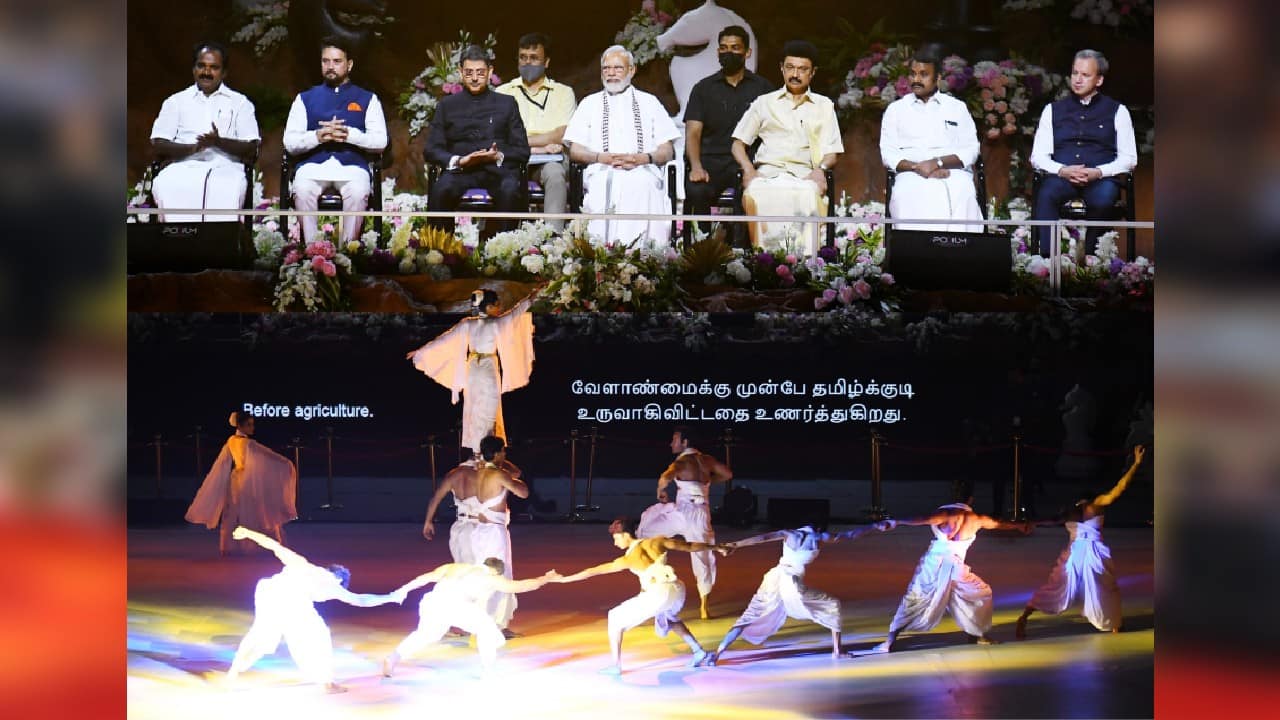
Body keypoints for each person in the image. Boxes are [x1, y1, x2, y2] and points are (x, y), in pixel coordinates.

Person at [225, 526, 402, 693]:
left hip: (270, 592)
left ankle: (234, 671)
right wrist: (390, 597)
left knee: (262, 636)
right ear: (339, 579)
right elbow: (361, 600)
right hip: (289, 600)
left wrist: (247, 532)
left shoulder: (304, 565)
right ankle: (327, 682)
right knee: (315, 635)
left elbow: (274, 545)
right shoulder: (333, 584)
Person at [552, 518, 729, 675]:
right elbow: (689, 546)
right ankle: (698, 651)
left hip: (659, 593)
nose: (615, 543)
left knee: (614, 617)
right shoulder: (657, 541)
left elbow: (593, 571)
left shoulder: (628, 559)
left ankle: (615, 666)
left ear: (624, 535)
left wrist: (564, 580)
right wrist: (717, 547)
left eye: (615, 538)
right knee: (668, 616)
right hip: (677, 589)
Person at [854, 499, 1030, 654]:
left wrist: (896, 521)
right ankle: (977, 635)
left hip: (936, 565)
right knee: (979, 594)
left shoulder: (946, 514)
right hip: (954, 567)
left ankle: (889, 641)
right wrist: (1019, 526)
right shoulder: (977, 519)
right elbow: (999, 524)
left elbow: (921, 520)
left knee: (915, 598)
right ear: (969, 501)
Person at [701, 525, 882, 666]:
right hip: (791, 582)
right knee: (832, 605)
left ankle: (717, 654)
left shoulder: (790, 533)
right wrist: (874, 526)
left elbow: (763, 538)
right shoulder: (819, 537)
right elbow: (850, 535)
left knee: (749, 615)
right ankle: (838, 651)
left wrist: (735, 545)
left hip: (774, 578)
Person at [1016, 445, 1146, 638]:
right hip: (1088, 553)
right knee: (1100, 587)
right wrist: (1136, 464)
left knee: (1066, 587)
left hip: (1082, 552)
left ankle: (1026, 615)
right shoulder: (1095, 505)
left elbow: (1052, 520)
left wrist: (1033, 523)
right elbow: (1119, 489)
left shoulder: (1075, 509)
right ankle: (1114, 623)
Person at [731, 40, 843, 254]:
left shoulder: (824, 106)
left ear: (812, 73)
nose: (795, 74)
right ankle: (765, 262)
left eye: (802, 69)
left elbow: (832, 151)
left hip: (804, 177)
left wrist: (820, 171)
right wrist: (748, 170)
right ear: (781, 68)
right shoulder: (764, 103)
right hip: (767, 175)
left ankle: (804, 265)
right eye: (790, 67)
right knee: (755, 192)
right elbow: (738, 144)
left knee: (809, 194)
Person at [564, 45, 680, 247]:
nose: (611, 73)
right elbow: (575, 150)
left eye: (617, 68)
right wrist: (601, 158)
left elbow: (667, 150)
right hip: (601, 169)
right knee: (605, 185)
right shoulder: (589, 103)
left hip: (643, 168)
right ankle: (601, 254)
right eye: (606, 69)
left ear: (631, 70)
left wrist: (642, 158)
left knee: (642, 184)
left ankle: (646, 256)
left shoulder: (649, 102)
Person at [406, 286, 538, 457]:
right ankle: (487, 453)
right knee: (488, 411)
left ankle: (479, 453)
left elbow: (443, 340)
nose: (500, 308)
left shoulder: (467, 324)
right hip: (487, 366)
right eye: (497, 305)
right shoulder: (495, 322)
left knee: (476, 410)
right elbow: (517, 312)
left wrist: (421, 351)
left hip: (473, 369)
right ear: (489, 306)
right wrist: (532, 297)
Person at [1030, 49, 1138, 254]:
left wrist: (1098, 172)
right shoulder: (1052, 110)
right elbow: (1038, 157)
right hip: (1062, 176)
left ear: (1099, 80)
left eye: (1085, 75)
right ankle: (1047, 261)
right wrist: (1063, 170)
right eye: (1075, 73)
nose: (1078, 80)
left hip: (1101, 178)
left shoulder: (1118, 111)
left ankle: (1093, 261)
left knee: (1104, 199)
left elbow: (1129, 159)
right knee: (1046, 194)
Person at [282, 36, 388, 246]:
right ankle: (312, 253)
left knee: (358, 192)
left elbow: (380, 141)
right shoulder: (305, 98)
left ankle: (347, 254)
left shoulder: (367, 98)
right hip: (313, 166)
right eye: (325, 61)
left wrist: (349, 135)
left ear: (349, 65)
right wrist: (318, 137)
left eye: (337, 61)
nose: (330, 67)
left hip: (352, 168)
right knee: (302, 189)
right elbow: (290, 142)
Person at [420, 436, 528, 631]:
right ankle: (492, 624)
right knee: (495, 575)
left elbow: (436, 497)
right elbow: (519, 484)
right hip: (485, 529)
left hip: (465, 529)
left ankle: (462, 622)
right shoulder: (483, 473)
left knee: (463, 576)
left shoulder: (463, 473)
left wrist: (428, 521)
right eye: (502, 451)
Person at [382, 558, 558, 676]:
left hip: (432, 602)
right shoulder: (492, 577)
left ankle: (392, 659)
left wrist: (402, 590)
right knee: (487, 629)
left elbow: (423, 578)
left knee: (426, 635)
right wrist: (546, 579)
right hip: (456, 605)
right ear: (497, 572)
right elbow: (521, 586)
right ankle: (488, 670)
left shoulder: (454, 566)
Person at [426, 44, 531, 236]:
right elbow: (432, 149)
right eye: (469, 72)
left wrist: (497, 155)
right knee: (440, 190)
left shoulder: (506, 104)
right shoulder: (447, 105)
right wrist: (459, 160)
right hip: (460, 171)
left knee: (510, 189)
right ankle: (440, 254)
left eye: (480, 72)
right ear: (460, 72)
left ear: (490, 72)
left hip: (497, 171)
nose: (474, 78)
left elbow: (522, 150)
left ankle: (506, 253)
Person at [149, 42, 260, 222]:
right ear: (194, 69)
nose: (206, 72)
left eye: (214, 67)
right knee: (167, 184)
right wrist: (192, 149)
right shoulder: (175, 102)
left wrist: (218, 142)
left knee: (228, 187)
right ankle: (174, 244)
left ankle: (219, 246)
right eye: (201, 66)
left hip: (227, 167)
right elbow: (159, 144)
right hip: (182, 166)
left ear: (224, 72)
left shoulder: (240, 103)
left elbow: (251, 147)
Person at [683, 25, 772, 244]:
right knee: (697, 191)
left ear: (747, 52)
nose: (728, 52)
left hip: (748, 163)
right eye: (723, 48)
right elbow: (693, 133)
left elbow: (773, 132)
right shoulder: (703, 89)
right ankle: (703, 248)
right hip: (710, 163)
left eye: (735, 48)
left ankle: (742, 253)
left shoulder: (763, 88)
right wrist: (696, 166)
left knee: (751, 193)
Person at [879, 49, 983, 232]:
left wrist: (937, 163)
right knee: (907, 193)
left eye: (924, 74)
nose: (916, 79)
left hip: (953, 173)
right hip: (911, 174)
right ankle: (916, 255)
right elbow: (888, 153)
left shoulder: (957, 108)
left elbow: (971, 150)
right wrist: (917, 167)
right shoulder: (896, 110)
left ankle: (960, 255)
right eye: (913, 74)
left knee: (963, 191)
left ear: (938, 78)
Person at [636, 426, 733, 619]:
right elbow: (727, 474)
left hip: (683, 513)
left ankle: (654, 573)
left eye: (675, 439)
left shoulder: (682, 462)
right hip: (701, 514)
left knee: (645, 532)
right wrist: (706, 481)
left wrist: (660, 490)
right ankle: (704, 608)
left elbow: (665, 477)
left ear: (685, 443)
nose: (671, 443)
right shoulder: (707, 460)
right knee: (703, 558)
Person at [185, 410, 297, 556]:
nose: (252, 428)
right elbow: (270, 455)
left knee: (231, 513)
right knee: (260, 510)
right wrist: (286, 463)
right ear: (241, 426)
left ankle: (225, 547)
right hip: (248, 481)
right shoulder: (250, 444)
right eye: (249, 425)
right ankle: (273, 543)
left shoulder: (231, 440)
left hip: (235, 479)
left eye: (252, 424)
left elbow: (223, 461)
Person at [495, 33, 576, 231]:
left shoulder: (563, 93)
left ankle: (552, 243)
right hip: (513, 159)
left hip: (550, 160)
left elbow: (563, 134)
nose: (527, 63)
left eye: (534, 58)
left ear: (546, 62)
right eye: (523, 57)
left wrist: (520, 141)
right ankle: (505, 243)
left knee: (556, 174)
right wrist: (540, 146)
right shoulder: (503, 92)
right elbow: (498, 136)